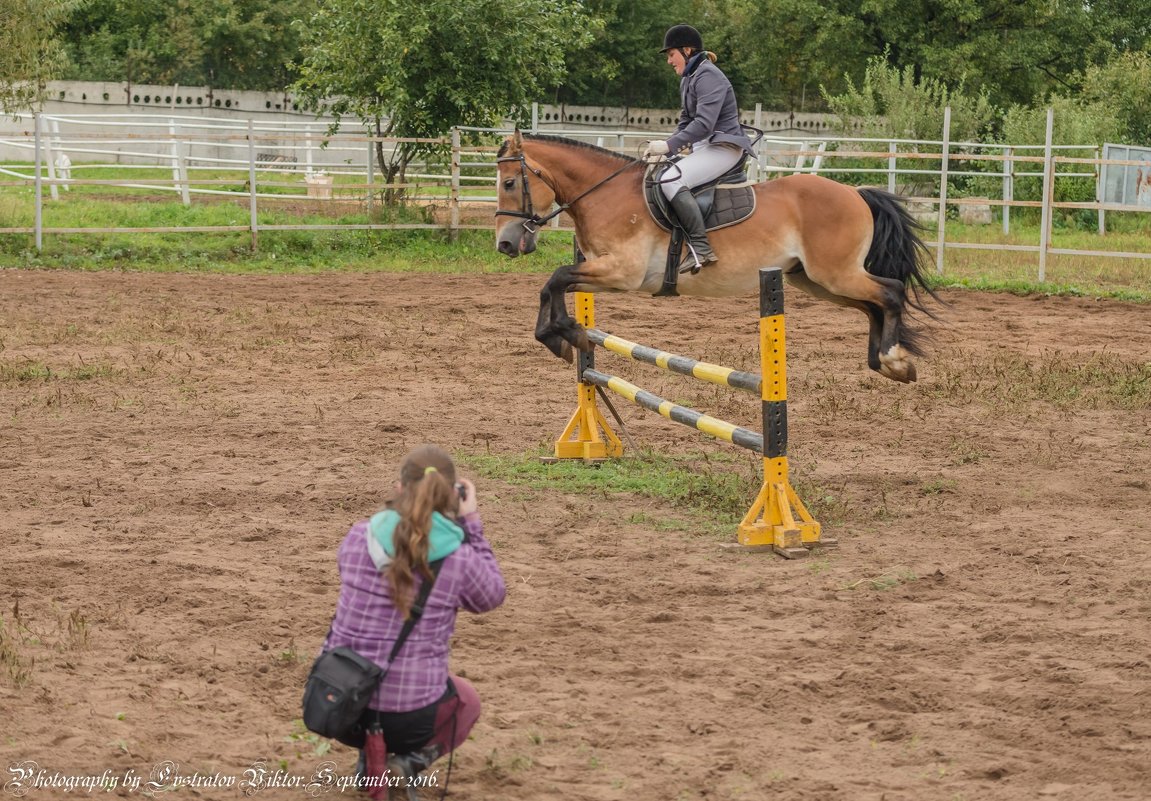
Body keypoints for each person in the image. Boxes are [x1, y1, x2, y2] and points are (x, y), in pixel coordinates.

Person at [322, 444, 506, 795]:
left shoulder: (359, 536)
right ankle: (408, 763)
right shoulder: (458, 557)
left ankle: (369, 757)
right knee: (466, 700)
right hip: (411, 717)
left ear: (399, 489)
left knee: (375, 664)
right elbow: (492, 596)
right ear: (453, 495)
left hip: (339, 704)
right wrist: (470, 523)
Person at [643, 24, 754, 272]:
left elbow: (704, 123)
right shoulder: (689, 79)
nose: (669, 61)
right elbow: (685, 122)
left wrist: (670, 145)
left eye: (671, 54)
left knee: (670, 180)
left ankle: (701, 248)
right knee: (660, 173)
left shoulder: (709, 76)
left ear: (687, 50)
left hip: (724, 147)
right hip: (704, 147)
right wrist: (665, 151)